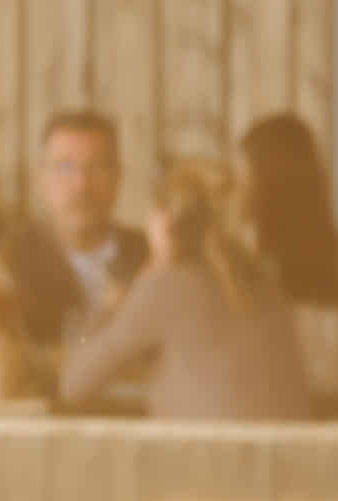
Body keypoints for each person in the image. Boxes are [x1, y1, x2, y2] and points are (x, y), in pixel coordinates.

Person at [59, 159, 310, 422]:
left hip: (204, 450)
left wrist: (109, 307)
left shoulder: (163, 287)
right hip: (289, 448)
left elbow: (73, 386)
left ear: (164, 223)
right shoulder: (265, 282)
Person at [3, 111, 148, 349]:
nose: (81, 185)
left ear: (118, 176)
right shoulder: (6, 259)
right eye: (65, 167)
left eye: (97, 167)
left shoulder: (152, 256)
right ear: (41, 179)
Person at [238, 112, 338, 389]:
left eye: (245, 174)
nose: (239, 186)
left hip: (276, 394)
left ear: (266, 181)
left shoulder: (250, 261)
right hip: (327, 393)